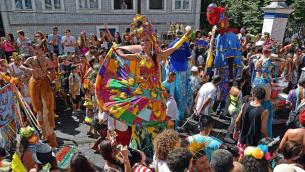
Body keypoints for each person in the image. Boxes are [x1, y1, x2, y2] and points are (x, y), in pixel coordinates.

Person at [95, 14, 192, 156]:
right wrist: (114, 47)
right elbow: (122, 55)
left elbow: (173, 49)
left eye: (146, 40)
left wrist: (184, 37)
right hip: (142, 94)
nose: (143, 43)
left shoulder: (157, 56)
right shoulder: (139, 56)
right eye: (141, 41)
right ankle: (143, 148)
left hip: (156, 94)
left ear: (152, 41)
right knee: (142, 121)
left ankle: (157, 146)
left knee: (157, 119)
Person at [20, 43, 57, 147]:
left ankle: (50, 135)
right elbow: (21, 66)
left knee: (46, 110)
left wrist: (52, 77)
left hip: (44, 84)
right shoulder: (31, 59)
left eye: (38, 48)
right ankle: (43, 134)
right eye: (34, 48)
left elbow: (52, 70)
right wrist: (29, 70)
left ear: (42, 49)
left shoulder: (46, 60)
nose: (36, 50)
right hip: (34, 84)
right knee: (38, 110)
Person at [251, 44, 277, 137]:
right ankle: (264, 133)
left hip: (256, 81)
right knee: (266, 104)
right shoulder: (268, 61)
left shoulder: (256, 59)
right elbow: (279, 59)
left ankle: (253, 128)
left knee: (255, 102)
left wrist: (258, 54)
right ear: (269, 52)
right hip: (265, 82)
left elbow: (250, 57)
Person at [168, 30, 192, 120]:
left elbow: (169, 55)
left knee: (172, 92)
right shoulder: (185, 44)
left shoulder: (172, 43)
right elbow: (189, 55)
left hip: (172, 70)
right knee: (182, 93)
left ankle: (170, 114)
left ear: (175, 35)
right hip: (182, 70)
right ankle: (180, 115)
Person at [224, 78, 244, 143]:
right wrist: (240, 112)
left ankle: (231, 136)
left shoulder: (232, 88)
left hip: (230, 107)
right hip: (235, 109)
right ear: (241, 83)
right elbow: (239, 103)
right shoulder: (239, 92)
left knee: (233, 123)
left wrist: (225, 110)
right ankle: (227, 137)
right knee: (233, 124)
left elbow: (228, 99)